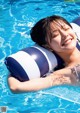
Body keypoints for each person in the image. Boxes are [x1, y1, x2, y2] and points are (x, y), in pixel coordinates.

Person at [8, 15, 80, 93]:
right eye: (55, 35)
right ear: (47, 46)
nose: (65, 35)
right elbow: (15, 87)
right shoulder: (69, 73)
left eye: (66, 29)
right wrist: (14, 70)